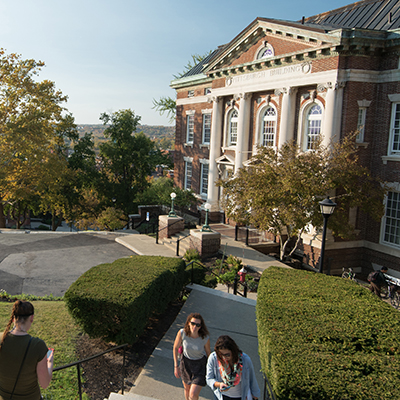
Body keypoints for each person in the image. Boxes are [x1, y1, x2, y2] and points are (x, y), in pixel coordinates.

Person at [0, 300, 54, 400]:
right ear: (32, 318)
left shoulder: (1, 339)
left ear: (13, 318)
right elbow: (45, 384)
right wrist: (50, 364)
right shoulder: (37, 345)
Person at [206, 335, 260, 400]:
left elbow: (252, 379)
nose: (224, 357)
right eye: (221, 354)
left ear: (233, 351)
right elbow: (209, 378)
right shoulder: (213, 358)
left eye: (227, 354)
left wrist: (255, 395)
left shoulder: (245, 360)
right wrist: (219, 384)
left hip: (240, 396)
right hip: (222, 396)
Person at [173, 312, 211, 400]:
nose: (195, 327)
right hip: (186, 364)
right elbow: (175, 348)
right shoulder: (182, 333)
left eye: (198, 325)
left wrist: (211, 368)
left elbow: (209, 353)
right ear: (188, 323)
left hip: (200, 366)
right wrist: (176, 366)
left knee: (193, 394)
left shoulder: (204, 338)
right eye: (193, 323)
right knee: (187, 389)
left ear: (200, 326)